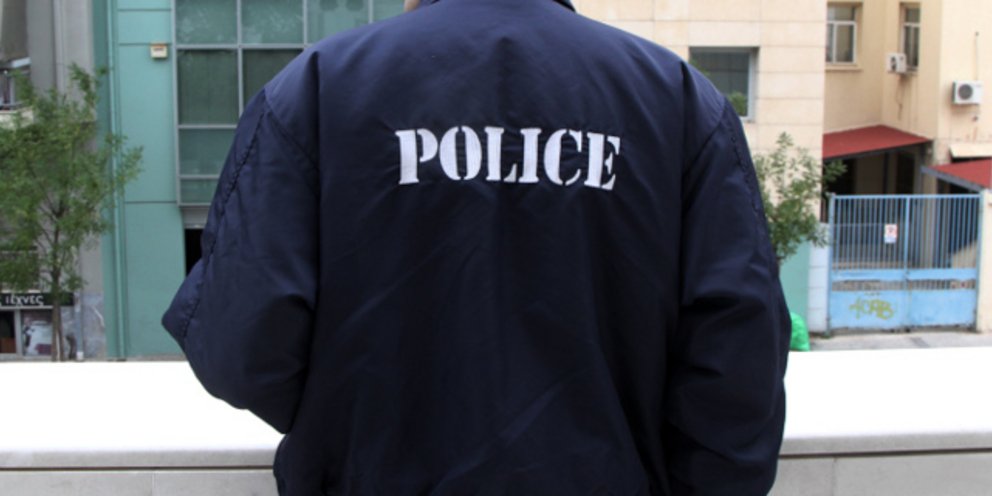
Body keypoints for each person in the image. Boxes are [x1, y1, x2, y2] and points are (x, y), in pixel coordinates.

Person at [162, 0, 791, 494]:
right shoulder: (677, 100)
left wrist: (354, 432)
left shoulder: (318, 89)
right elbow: (738, 369)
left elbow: (242, 348)